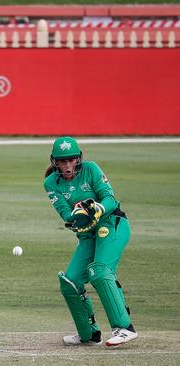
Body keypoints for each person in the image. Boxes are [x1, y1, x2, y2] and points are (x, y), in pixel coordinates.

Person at [44, 136, 138, 347]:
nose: (68, 166)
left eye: (71, 160)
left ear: (78, 159)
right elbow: (66, 214)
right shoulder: (51, 183)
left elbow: (110, 198)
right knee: (70, 281)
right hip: (88, 233)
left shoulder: (91, 169)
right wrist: (79, 215)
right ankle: (88, 334)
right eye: (62, 161)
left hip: (112, 223)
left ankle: (124, 328)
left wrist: (98, 209)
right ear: (54, 162)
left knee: (100, 270)